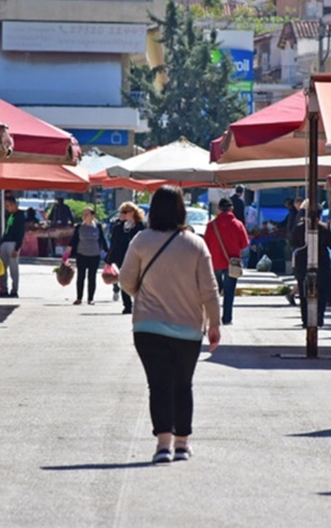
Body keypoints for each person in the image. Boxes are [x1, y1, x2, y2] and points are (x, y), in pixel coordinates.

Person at [117, 185, 221, 464]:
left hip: (148, 328)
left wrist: (144, 293)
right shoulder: (196, 243)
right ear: (180, 209)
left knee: (158, 384)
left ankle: (163, 445)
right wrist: (215, 324)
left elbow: (125, 281)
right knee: (182, 385)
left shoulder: (141, 240)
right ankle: (183, 444)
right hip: (188, 328)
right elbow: (209, 289)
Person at [203, 197, 250, 326]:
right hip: (232, 263)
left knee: (215, 291)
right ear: (232, 209)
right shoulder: (238, 224)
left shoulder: (211, 225)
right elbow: (244, 244)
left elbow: (205, 244)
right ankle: (227, 318)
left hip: (215, 262)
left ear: (218, 209)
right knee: (229, 292)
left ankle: (214, 317)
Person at [291, 200, 331, 328]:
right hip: (322, 264)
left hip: (302, 263)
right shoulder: (324, 228)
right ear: (320, 214)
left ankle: (306, 319)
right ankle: (319, 317)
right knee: (322, 291)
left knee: (303, 291)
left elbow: (292, 243)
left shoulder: (299, 228)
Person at [106, 201, 146, 314]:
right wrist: (109, 260)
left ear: (133, 212)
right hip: (122, 257)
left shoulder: (141, 226)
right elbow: (114, 243)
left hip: (139, 257)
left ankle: (139, 303)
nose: (122, 214)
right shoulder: (118, 227)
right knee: (124, 280)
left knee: (139, 281)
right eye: (121, 212)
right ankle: (127, 305)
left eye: (125, 212)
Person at [66, 206, 108, 305]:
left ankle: (91, 298)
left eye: (86, 214)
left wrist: (108, 253)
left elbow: (102, 240)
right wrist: (67, 253)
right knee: (81, 276)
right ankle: (79, 298)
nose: (84, 216)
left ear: (92, 216)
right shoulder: (79, 227)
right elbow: (74, 240)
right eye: (83, 214)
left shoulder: (97, 226)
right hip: (81, 254)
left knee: (92, 277)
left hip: (94, 255)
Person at [0, 195, 25, 298]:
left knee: (13, 268)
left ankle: (14, 290)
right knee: (3, 268)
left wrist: (17, 247)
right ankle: (3, 288)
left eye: (8, 205)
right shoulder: (9, 215)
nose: (7, 208)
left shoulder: (20, 216)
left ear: (14, 204)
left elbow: (20, 233)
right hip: (5, 241)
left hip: (13, 243)